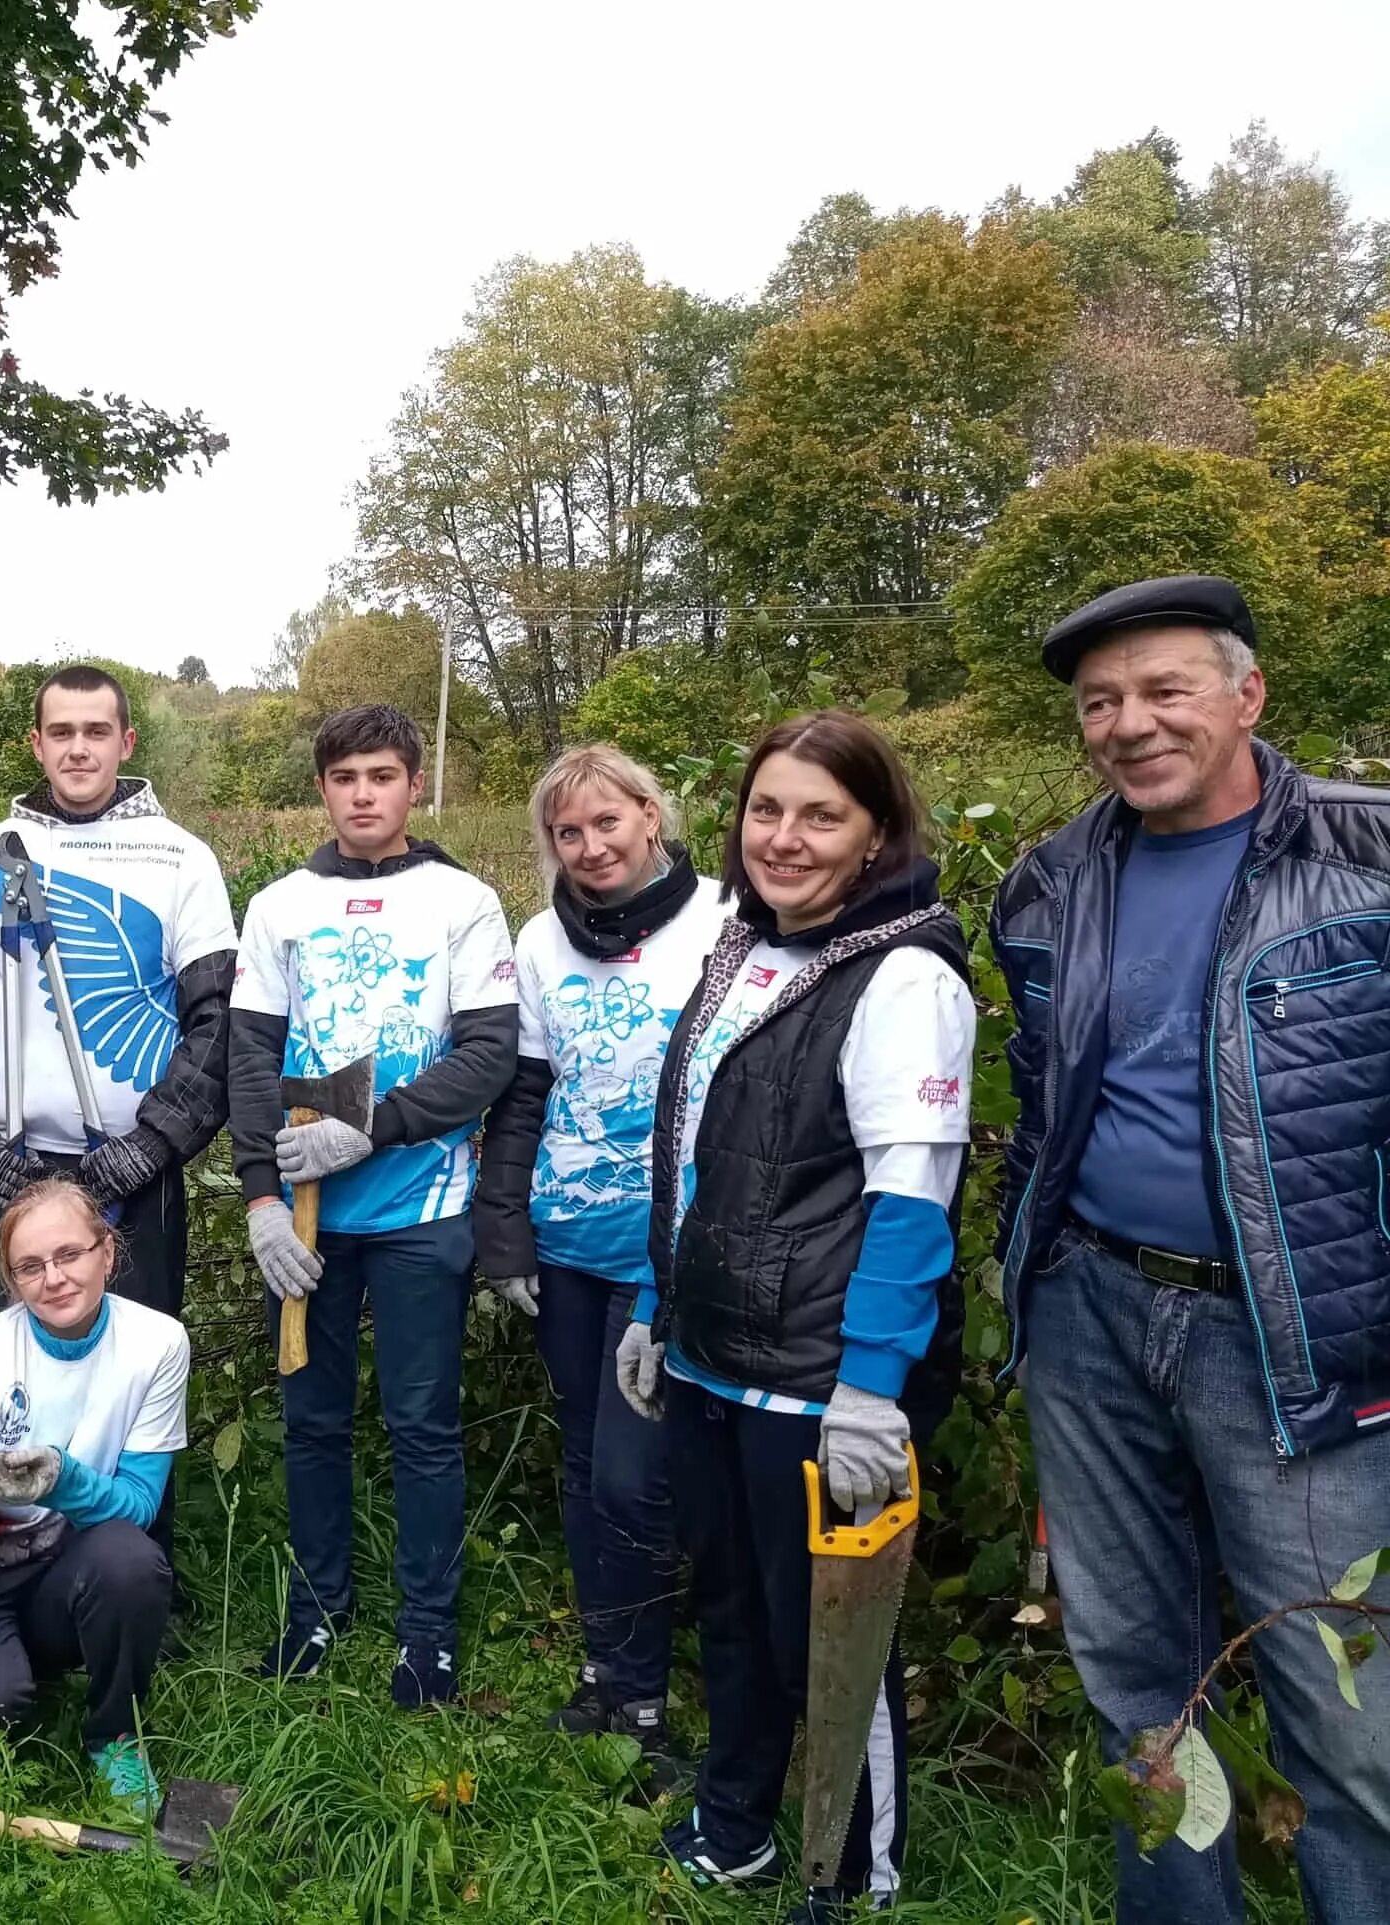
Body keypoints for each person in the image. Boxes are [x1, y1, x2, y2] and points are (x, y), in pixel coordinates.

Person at [990, 575, 1390, 1925]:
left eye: (1165, 689)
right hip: (1091, 1312)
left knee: (1347, 1706)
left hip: (1300, 1343)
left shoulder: (1367, 852)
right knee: (1135, 1682)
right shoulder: (1050, 882)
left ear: (1247, 694)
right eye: (1102, 701)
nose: (1130, 723)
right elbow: (1042, 1092)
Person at [615, 710, 974, 1924]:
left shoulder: (902, 975)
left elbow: (911, 1204)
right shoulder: (743, 950)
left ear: (877, 831)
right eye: (767, 809)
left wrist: (871, 1384)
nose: (786, 837)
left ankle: (850, 1868)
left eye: (822, 814)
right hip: (717, 1355)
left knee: (828, 1639)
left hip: (822, 1381)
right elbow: (699, 1157)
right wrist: (661, 1310)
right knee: (724, 1607)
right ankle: (736, 1827)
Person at [229, 703, 518, 1707]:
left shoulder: (463, 900)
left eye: (382, 775)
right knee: (310, 1419)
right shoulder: (278, 906)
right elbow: (250, 1056)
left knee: (422, 1422)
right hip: (306, 1221)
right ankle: (314, 1608)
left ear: (412, 782)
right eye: (344, 776)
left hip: (421, 1209)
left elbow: (487, 1055)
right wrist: (261, 1198)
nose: (363, 794)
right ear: (322, 787)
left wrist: (376, 1123)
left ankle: (427, 1632)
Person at [473, 743, 725, 1786]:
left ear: (650, 815)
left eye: (606, 823)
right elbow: (526, 1091)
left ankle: (659, 1688)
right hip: (564, 1242)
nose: (589, 847)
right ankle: (610, 1672)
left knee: (636, 1474)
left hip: (668, 1250)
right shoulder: (540, 940)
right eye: (567, 833)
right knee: (583, 1464)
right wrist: (504, 1226)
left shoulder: (725, 921)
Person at [0, 665, 237, 1324]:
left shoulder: (181, 858)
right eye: (61, 731)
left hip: (136, 1172)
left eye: (96, 730)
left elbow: (219, 1024)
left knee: (137, 1359)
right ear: (37, 743)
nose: (78, 747)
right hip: (16, 1166)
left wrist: (148, 1148)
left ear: (128, 740)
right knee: (25, 1365)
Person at [0, 1178, 188, 1821]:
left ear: (108, 1252)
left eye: (70, 1254)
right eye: (30, 1266)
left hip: (62, 1563)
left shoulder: (158, 1344)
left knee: (130, 1559)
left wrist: (63, 1478)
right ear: (12, 1282)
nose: (54, 1278)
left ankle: (114, 1737)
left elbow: (139, 1507)